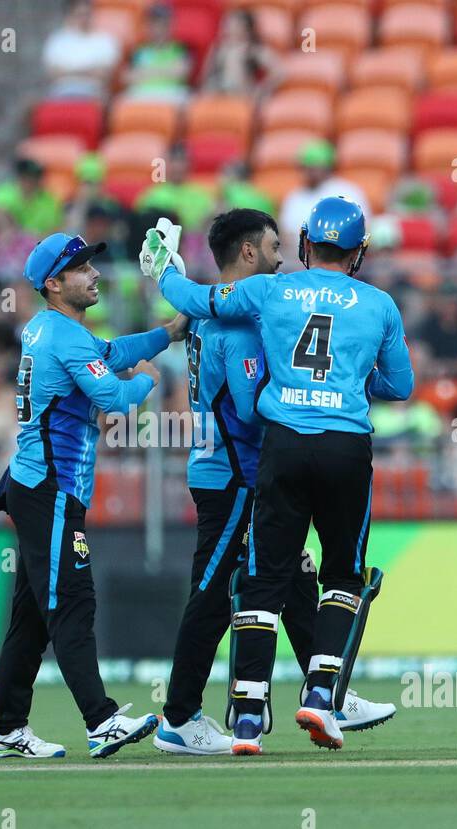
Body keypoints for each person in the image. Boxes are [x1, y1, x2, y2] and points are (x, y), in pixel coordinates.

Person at [142, 196, 413, 753]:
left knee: (280, 581)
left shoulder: (267, 296)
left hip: (275, 456)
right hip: (267, 464)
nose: (280, 256)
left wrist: (165, 268)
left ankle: (281, 704)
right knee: (267, 585)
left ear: (312, 241)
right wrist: (344, 380)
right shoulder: (376, 303)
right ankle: (196, 712)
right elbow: (399, 385)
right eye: (271, 247)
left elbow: (191, 297)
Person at [0, 231, 186, 759]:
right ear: (53, 283)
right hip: (50, 490)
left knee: (32, 616)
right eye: (81, 269)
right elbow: (115, 395)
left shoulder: (48, 329)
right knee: (72, 603)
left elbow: (111, 351)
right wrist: (148, 380)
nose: (94, 273)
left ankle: (5, 727)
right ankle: (101, 720)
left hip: (37, 486)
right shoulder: (63, 336)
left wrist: (167, 332)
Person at [278, 140, 370, 267]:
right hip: (301, 260)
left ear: (327, 167)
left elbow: (363, 227)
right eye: (304, 167)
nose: (308, 172)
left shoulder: (347, 190)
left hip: (340, 257)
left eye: (312, 167)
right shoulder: (294, 196)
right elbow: (286, 233)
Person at [42, 0, 120, 100]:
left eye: (87, 14)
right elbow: (54, 74)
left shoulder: (105, 40)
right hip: (61, 92)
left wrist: (70, 72)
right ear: (70, 15)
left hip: (94, 92)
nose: (84, 19)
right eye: (79, 15)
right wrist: (88, 71)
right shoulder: (57, 41)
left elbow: (103, 75)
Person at [121, 4, 192, 104]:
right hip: (141, 94)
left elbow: (182, 73)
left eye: (163, 24)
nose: (158, 28)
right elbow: (126, 77)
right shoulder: (139, 50)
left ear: (170, 25)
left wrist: (143, 73)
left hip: (172, 93)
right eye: (154, 24)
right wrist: (166, 70)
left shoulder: (180, 49)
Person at [201, 8, 278, 100]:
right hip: (218, 96)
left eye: (234, 24)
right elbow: (205, 78)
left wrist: (261, 90)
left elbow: (279, 71)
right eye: (227, 24)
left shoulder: (253, 49)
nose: (229, 28)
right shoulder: (218, 49)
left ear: (247, 28)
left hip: (243, 96)